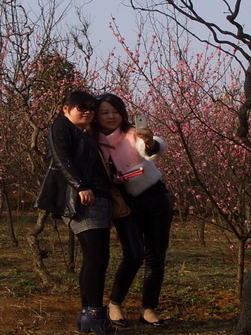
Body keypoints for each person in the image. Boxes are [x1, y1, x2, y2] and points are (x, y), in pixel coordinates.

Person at [35, 90, 117, 335]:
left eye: (91, 108)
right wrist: (81, 185)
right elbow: (62, 159)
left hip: (96, 199)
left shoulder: (82, 133)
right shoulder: (61, 127)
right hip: (83, 201)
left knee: (95, 258)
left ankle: (86, 315)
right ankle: (95, 315)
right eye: (81, 107)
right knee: (97, 258)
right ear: (65, 109)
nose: (88, 112)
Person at [93, 93, 174, 328]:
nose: (111, 116)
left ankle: (149, 309)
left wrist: (149, 142)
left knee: (156, 255)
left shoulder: (132, 133)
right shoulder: (91, 140)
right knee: (134, 254)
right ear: (96, 116)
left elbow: (152, 146)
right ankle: (115, 303)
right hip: (124, 204)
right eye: (105, 112)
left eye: (115, 111)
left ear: (123, 113)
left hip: (155, 197)